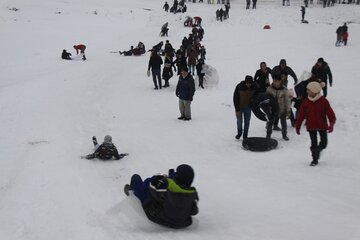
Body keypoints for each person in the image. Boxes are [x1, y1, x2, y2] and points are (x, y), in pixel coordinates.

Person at [124, 164, 199, 228]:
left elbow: (152, 188)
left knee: (136, 178)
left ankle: (131, 192)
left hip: (159, 217)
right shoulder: (192, 194)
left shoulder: (167, 187)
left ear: (178, 177)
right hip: (182, 223)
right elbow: (194, 211)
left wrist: (156, 178)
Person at [295, 82, 336, 166]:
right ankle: (314, 160)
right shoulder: (306, 101)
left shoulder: (323, 101)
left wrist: (331, 123)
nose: (307, 91)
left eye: (308, 90)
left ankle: (318, 150)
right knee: (313, 144)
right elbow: (301, 115)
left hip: (322, 126)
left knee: (324, 143)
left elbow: (330, 113)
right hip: (311, 126)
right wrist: (298, 126)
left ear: (314, 91)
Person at [266, 74, 291, 140]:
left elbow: (287, 100)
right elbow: (266, 100)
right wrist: (267, 110)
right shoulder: (269, 89)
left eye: (276, 80)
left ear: (280, 81)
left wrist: (288, 110)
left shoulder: (284, 89)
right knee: (270, 123)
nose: (274, 82)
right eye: (273, 80)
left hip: (282, 110)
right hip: (272, 110)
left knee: (283, 124)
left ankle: (284, 135)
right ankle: (268, 135)